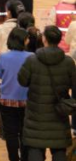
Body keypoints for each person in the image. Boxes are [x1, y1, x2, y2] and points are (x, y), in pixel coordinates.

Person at [17, 25, 76, 161]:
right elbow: (73, 84)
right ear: (59, 40)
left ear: (44, 39)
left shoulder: (32, 60)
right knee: (59, 149)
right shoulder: (68, 62)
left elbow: (22, 81)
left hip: (35, 115)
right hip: (59, 113)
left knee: (35, 148)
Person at [0, 27, 33, 161]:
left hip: (7, 100)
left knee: (10, 134)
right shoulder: (31, 57)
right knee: (24, 132)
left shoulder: (3, 57)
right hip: (27, 100)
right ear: (24, 40)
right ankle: (25, 158)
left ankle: (13, 158)